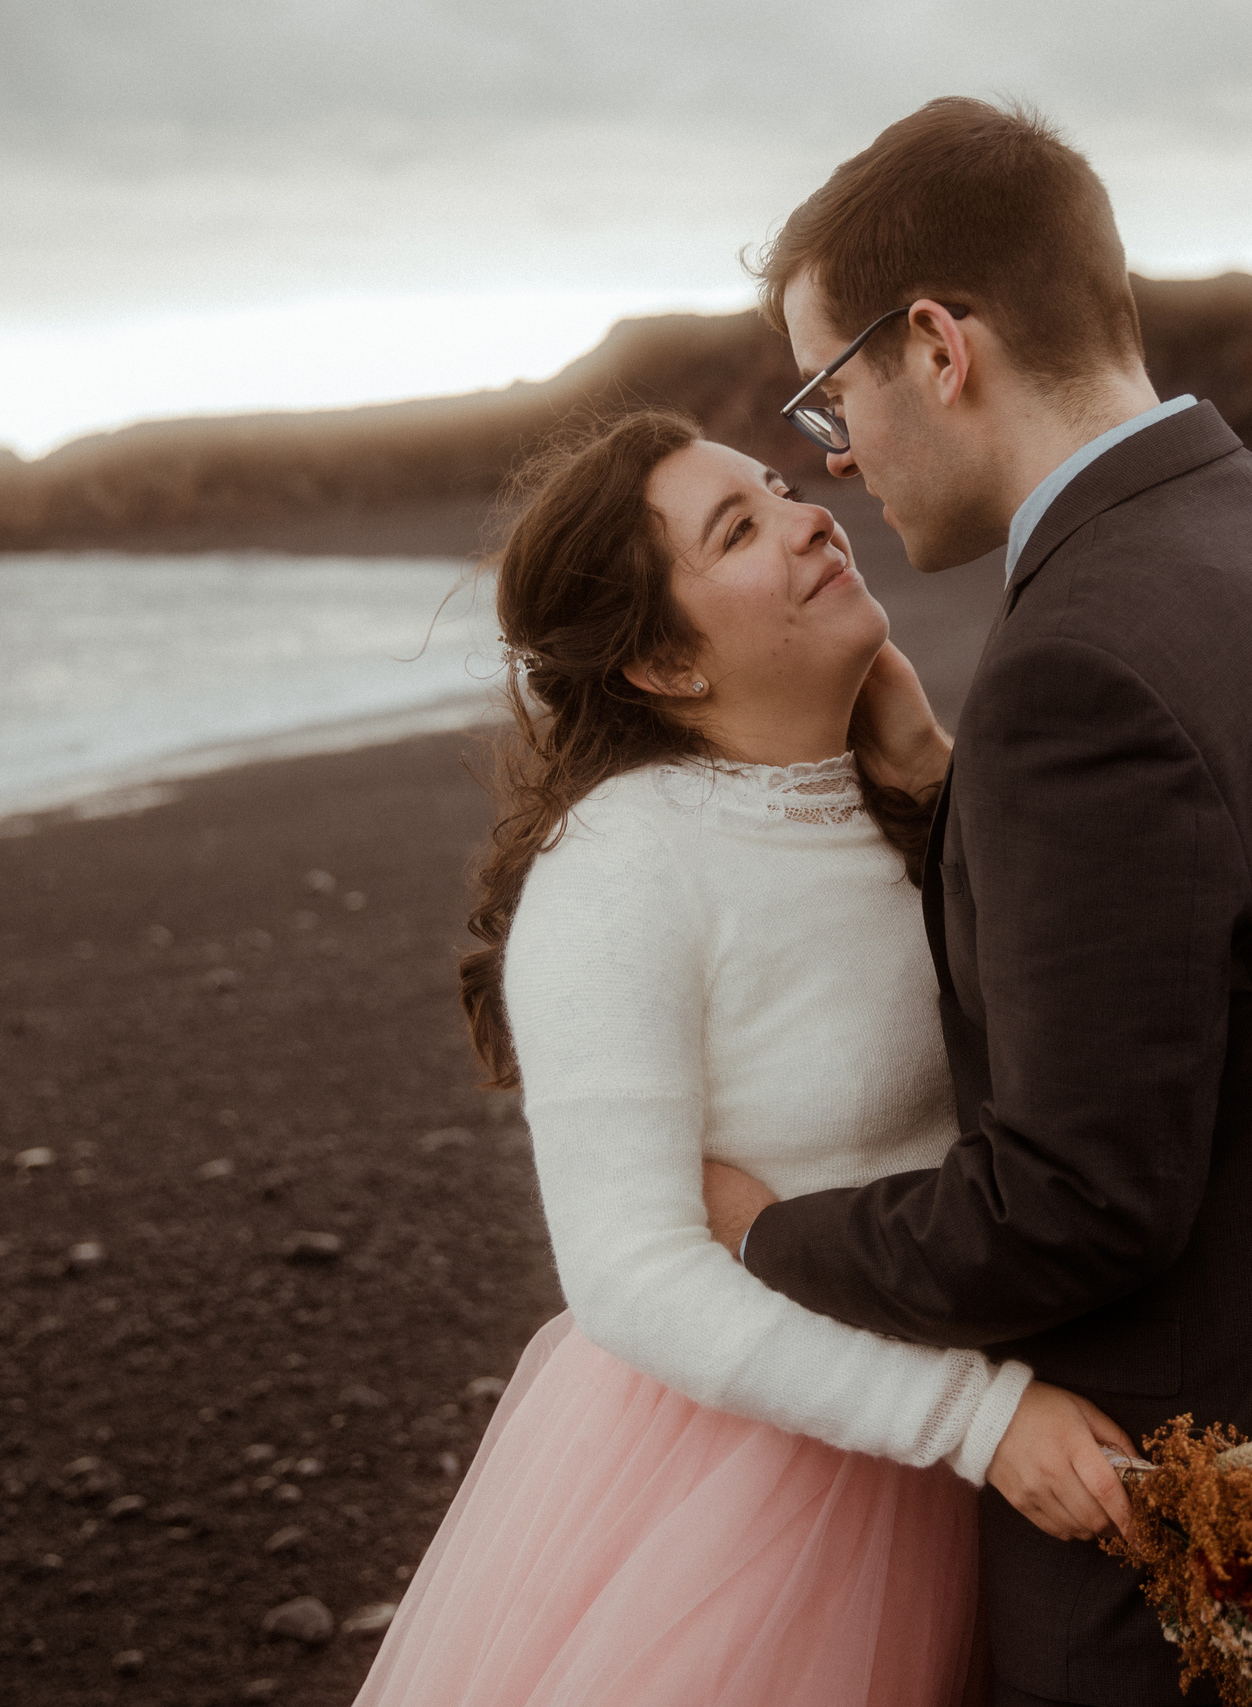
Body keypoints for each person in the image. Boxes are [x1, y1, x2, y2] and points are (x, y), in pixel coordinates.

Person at [704, 98, 1252, 1706]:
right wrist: (948, 804)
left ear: (938, 345)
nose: (833, 456)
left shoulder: (1080, 665)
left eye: (830, 389)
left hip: (1203, 1482)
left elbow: (1073, 1204)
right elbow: (1246, 953)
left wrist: (763, 1239)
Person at [348, 409, 1135, 1707]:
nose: (811, 513)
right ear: (663, 663)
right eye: (741, 527)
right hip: (750, 1487)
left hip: (954, 1446)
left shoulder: (897, 793)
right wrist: (975, 1422)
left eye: (778, 487)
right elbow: (631, 1279)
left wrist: (934, 778)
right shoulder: (621, 868)